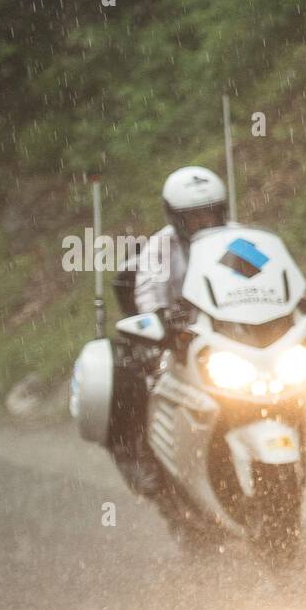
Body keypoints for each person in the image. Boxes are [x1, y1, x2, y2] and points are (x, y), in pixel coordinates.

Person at [109, 165, 229, 496]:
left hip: (233, 337)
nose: (205, 223)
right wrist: (162, 321)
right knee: (131, 376)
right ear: (177, 218)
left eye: (211, 214)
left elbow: (268, 277)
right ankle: (141, 457)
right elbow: (149, 299)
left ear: (222, 211)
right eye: (195, 218)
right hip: (181, 340)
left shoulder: (240, 240)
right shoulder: (160, 249)